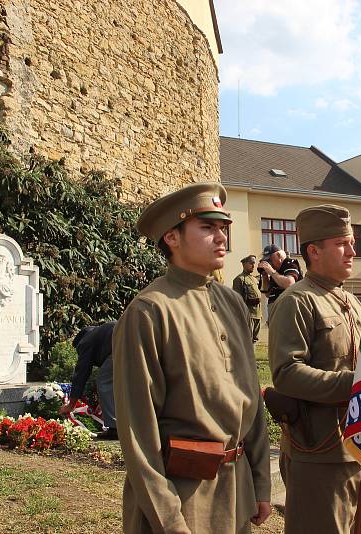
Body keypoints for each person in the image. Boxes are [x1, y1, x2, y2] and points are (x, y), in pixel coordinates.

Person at [113, 182, 272, 534]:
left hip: (236, 494)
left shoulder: (232, 303)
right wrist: (170, 521)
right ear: (172, 237)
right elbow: (139, 433)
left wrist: (260, 484)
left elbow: (251, 403)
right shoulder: (149, 311)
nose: (221, 238)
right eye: (207, 228)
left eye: (223, 228)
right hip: (183, 500)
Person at [268, 204, 361, 534]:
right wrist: (357, 384)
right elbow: (286, 373)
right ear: (314, 251)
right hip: (320, 453)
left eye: (352, 241)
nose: (352, 250)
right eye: (342, 243)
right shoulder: (297, 300)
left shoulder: (352, 302)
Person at [58, 321, 118, 439]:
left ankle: (115, 429)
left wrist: (71, 405)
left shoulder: (86, 341)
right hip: (137, 341)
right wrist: (104, 402)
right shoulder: (102, 335)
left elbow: (81, 374)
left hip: (121, 345)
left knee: (104, 382)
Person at [258, 243, 301, 308]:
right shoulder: (276, 271)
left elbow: (289, 284)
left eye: (270, 259)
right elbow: (267, 294)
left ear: (279, 256)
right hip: (275, 307)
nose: (269, 262)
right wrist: (265, 276)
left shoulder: (289, 263)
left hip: (288, 307)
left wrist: (272, 271)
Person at [232, 255, 262, 343]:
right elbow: (237, 300)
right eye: (251, 263)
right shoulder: (239, 279)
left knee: (255, 339)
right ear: (244, 264)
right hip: (248, 315)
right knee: (247, 340)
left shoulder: (255, 279)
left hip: (258, 314)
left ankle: (252, 356)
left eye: (254, 263)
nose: (253, 266)